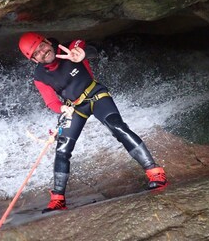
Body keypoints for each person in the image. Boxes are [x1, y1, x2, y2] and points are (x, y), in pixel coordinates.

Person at [18, 32, 167, 213]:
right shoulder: (40, 76)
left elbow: (83, 45)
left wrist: (79, 52)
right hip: (74, 107)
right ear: (34, 60)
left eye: (41, 46)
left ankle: (155, 172)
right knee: (63, 148)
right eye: (36, 53)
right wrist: (62, 109)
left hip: (95, 95)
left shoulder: (70, 48)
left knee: (117, 126)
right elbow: (51, 101)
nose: (42, 52)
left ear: (47, 41)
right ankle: (58, 199)